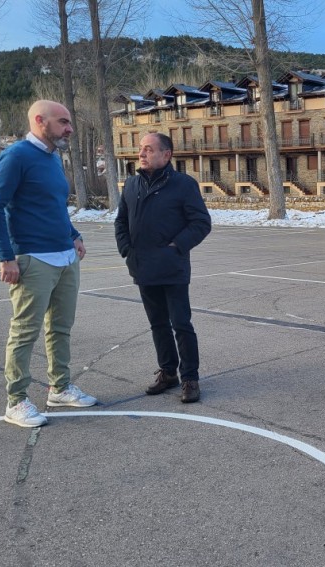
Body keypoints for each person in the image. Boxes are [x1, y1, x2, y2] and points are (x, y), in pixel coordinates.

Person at [0, 99, 97, 428]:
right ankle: (16, 400)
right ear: (39, 121)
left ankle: (59, 388)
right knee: (24, 333)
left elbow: (55, 205)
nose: (69, 128)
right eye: (63, 122)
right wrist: (6, 256)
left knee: (61, 328)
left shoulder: (52, 158)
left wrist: (74, 234)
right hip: (33, 259)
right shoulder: (16, 156)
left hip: (65, 257)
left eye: (69, 122)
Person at [114, 133, 211, 403]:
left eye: (148, 149)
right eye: (140, 149)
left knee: (181, 323)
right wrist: (126, 249)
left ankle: (190, 378)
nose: (141, 154)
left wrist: (177, 246)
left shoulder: (183, 185)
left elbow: (201, 223)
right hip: (142, 267)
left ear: (166, 155)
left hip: (172, 268)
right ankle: (168, 373)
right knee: (158, 324)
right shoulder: (131, 184)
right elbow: (121, 222)